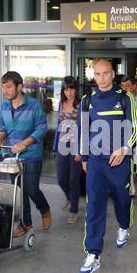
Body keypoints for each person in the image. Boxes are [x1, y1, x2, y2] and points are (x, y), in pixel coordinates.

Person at [76, 60, 137, 273]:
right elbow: (83, 130)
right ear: (93, 76)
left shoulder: (125, 97)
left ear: (113, 74)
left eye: (105, 73)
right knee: (94, 206)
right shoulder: (87, 101)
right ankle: (93, 254)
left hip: (119, 162)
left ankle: (124, 227)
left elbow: (135, 127)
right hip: (95, 162)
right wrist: (84, 158)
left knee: (122, 200)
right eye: (97, 74)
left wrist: (124, 149)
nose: (101, 78)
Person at [0, 71, 51, 237]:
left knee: (31, 189)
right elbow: (2, 128)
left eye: (8, 87)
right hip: (12, 157)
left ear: (19, 86)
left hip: (31, 155)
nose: (5, 91)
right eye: (3, 87)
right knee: (19, 191)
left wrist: (24, 143)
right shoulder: (4, 106)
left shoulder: (34, 105)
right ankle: (26, 224)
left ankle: (44, 209)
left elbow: (41, 128)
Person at [53, 76, 82, 224]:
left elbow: (85, 128)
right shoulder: (60, 103)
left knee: (73, 179)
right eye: (66, 88)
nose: (69, 92)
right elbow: (59, 125)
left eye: (72, 88)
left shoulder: (82, 104)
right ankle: (69, 198)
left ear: (76, 89)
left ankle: (74, 210)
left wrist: (80, 150)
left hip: (76, 146)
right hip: (62, 145)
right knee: (61, 179)